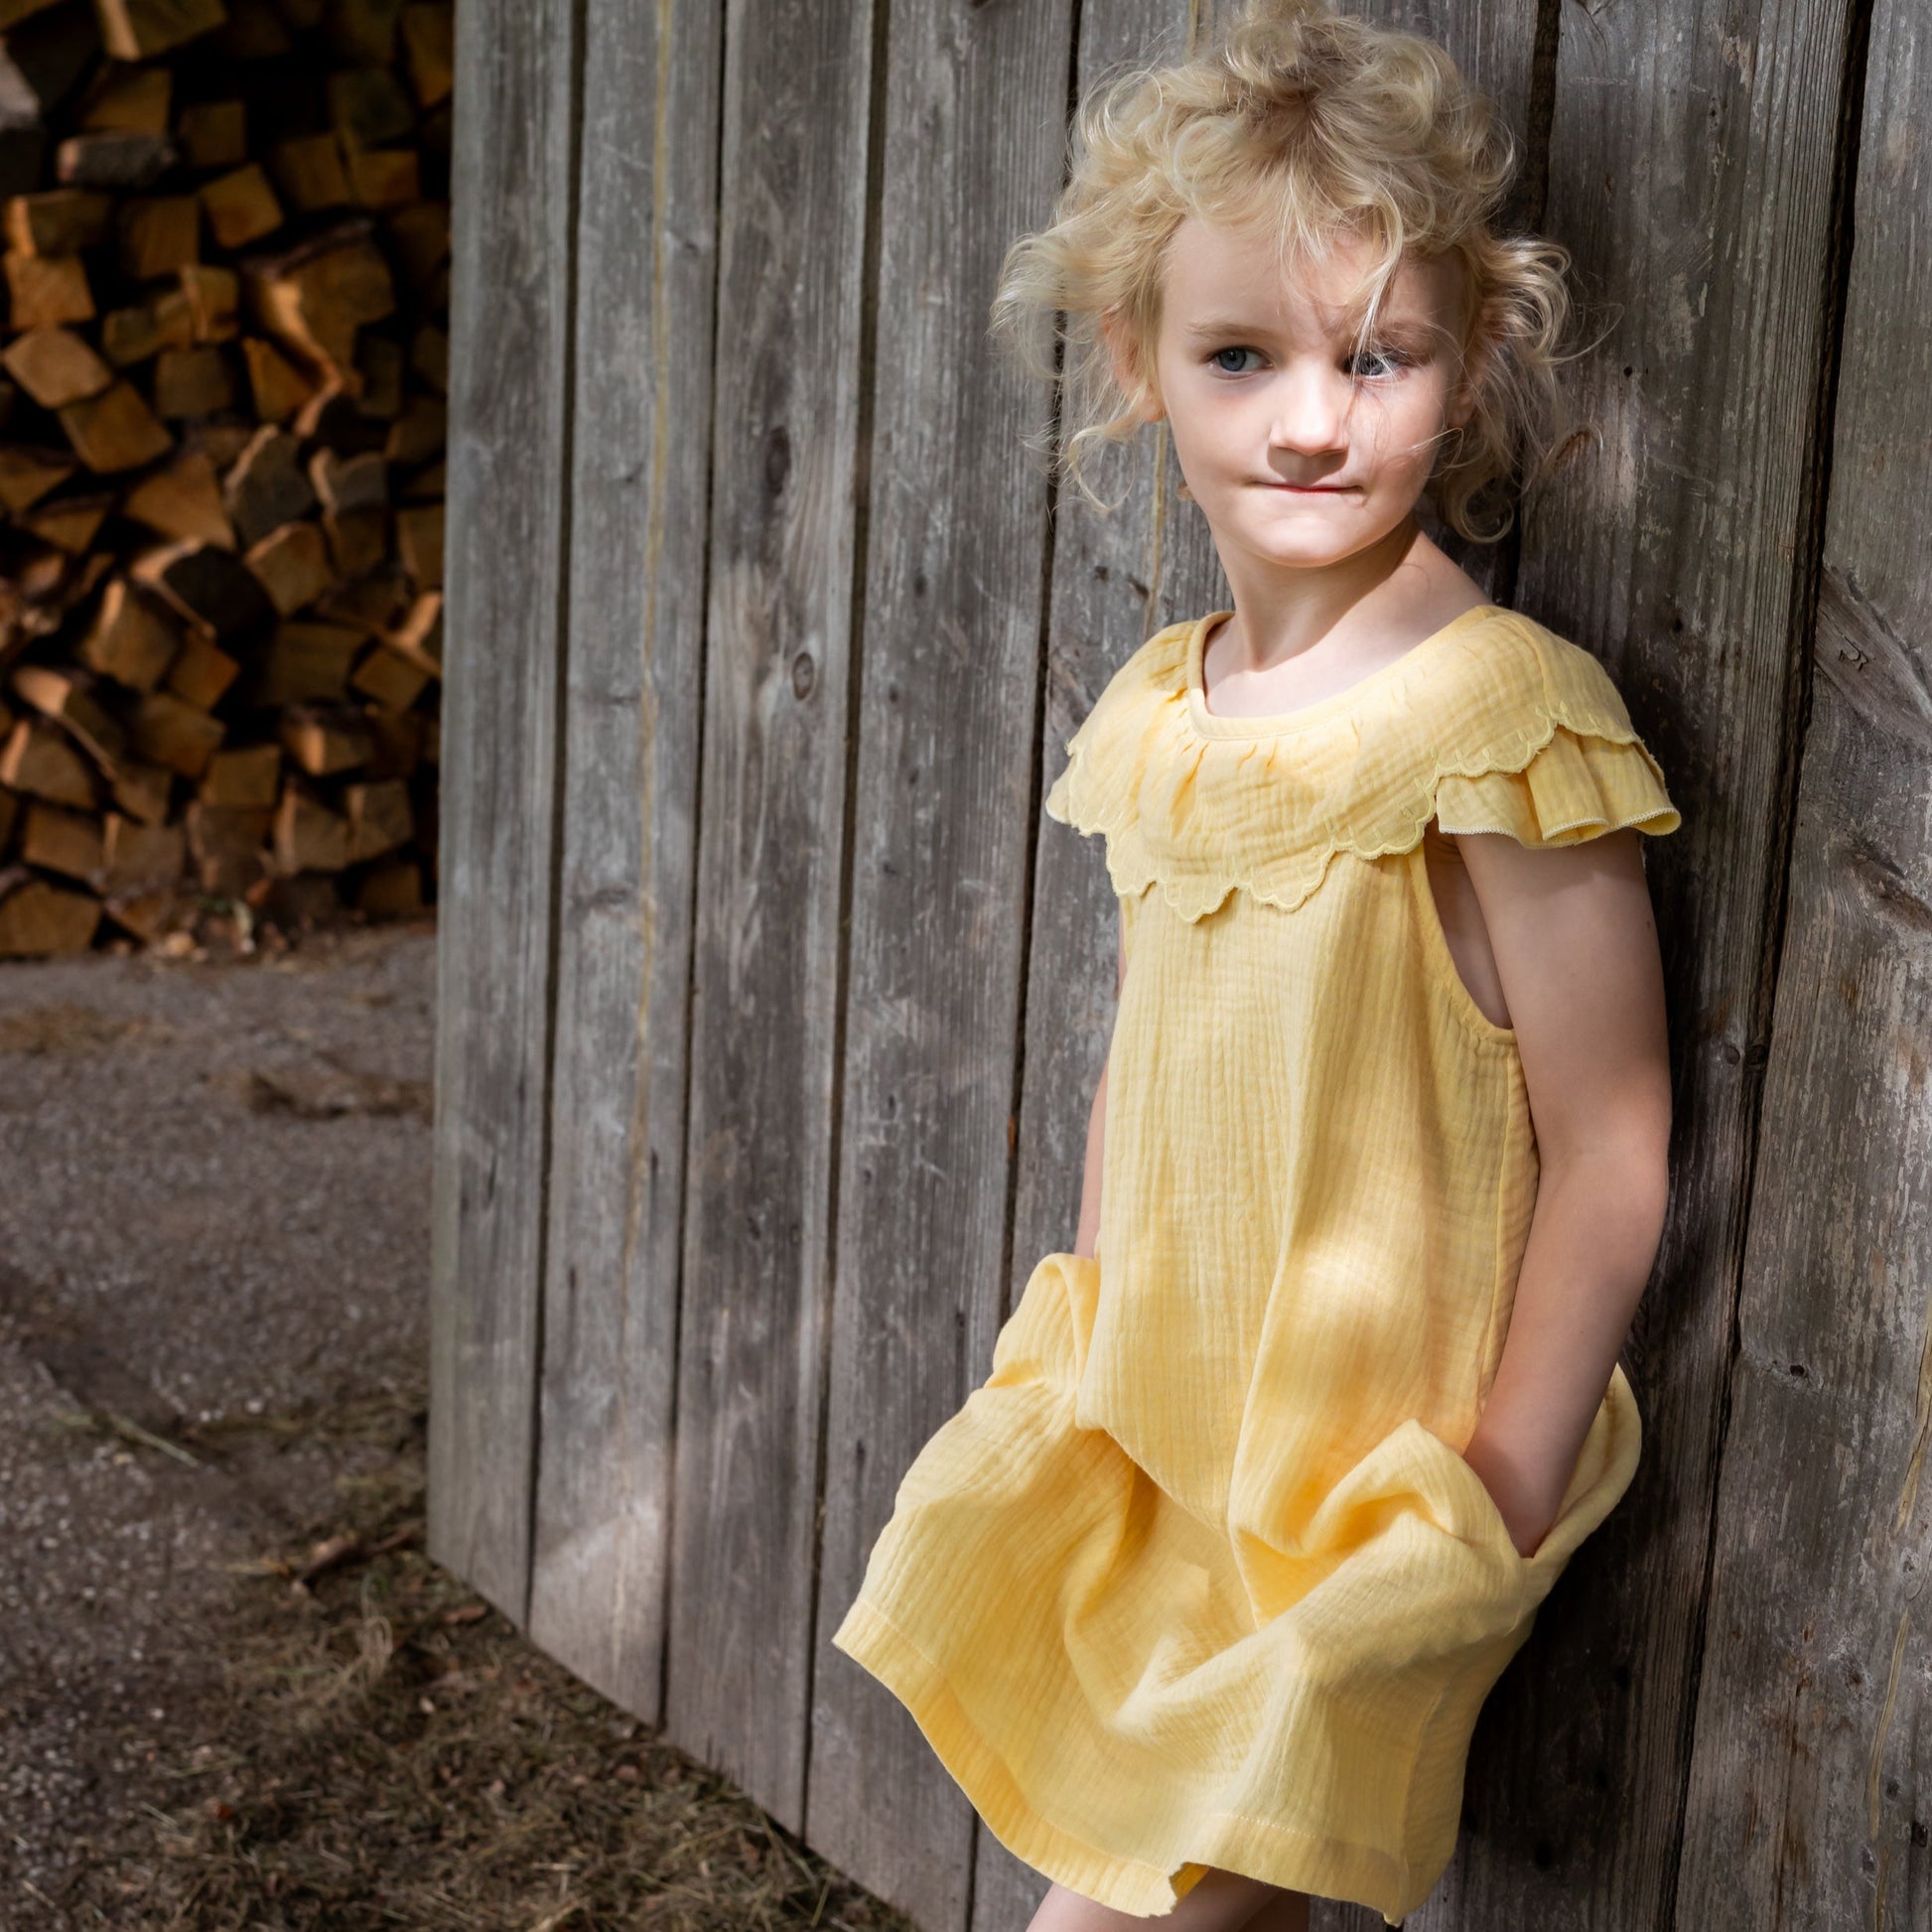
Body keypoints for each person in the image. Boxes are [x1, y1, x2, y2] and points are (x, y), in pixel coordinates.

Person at [829, 3, 1682, 1926]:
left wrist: (1491, 1500)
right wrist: (1092, 1319)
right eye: (1243, 355)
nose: (1311, 416)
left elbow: (1612, 1140)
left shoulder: (1499, 714)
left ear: (1463, 373)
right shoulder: (1165, 706)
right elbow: (1153, 1040)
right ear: (1138, 364)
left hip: (1379, 1490)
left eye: (1376, 356)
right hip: (1173, 1427)